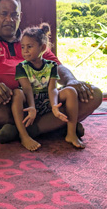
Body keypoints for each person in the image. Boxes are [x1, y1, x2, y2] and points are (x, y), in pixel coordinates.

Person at [0, 0, 102, 143]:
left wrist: (71, 80)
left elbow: (57, 67)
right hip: (9, 104)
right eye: (4, 14)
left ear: (20, 17)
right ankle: (55, 126)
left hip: (46, 102)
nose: (9, 19)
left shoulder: (33, 39)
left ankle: (24, 131)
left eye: (14, 15)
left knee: (94, 94)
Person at [12, 23, 85, 151]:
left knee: (71, 91)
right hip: (30, 103)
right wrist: (32, 107)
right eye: (23, 47)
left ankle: (71, 133)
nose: (25, 51)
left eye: (29, 47)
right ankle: (24, 135)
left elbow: (52, 88)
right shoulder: (21, 67)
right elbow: (27, 89)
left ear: (42, 47)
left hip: (47, 100)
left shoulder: (52, 66)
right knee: (17, 93)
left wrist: (54, 107)